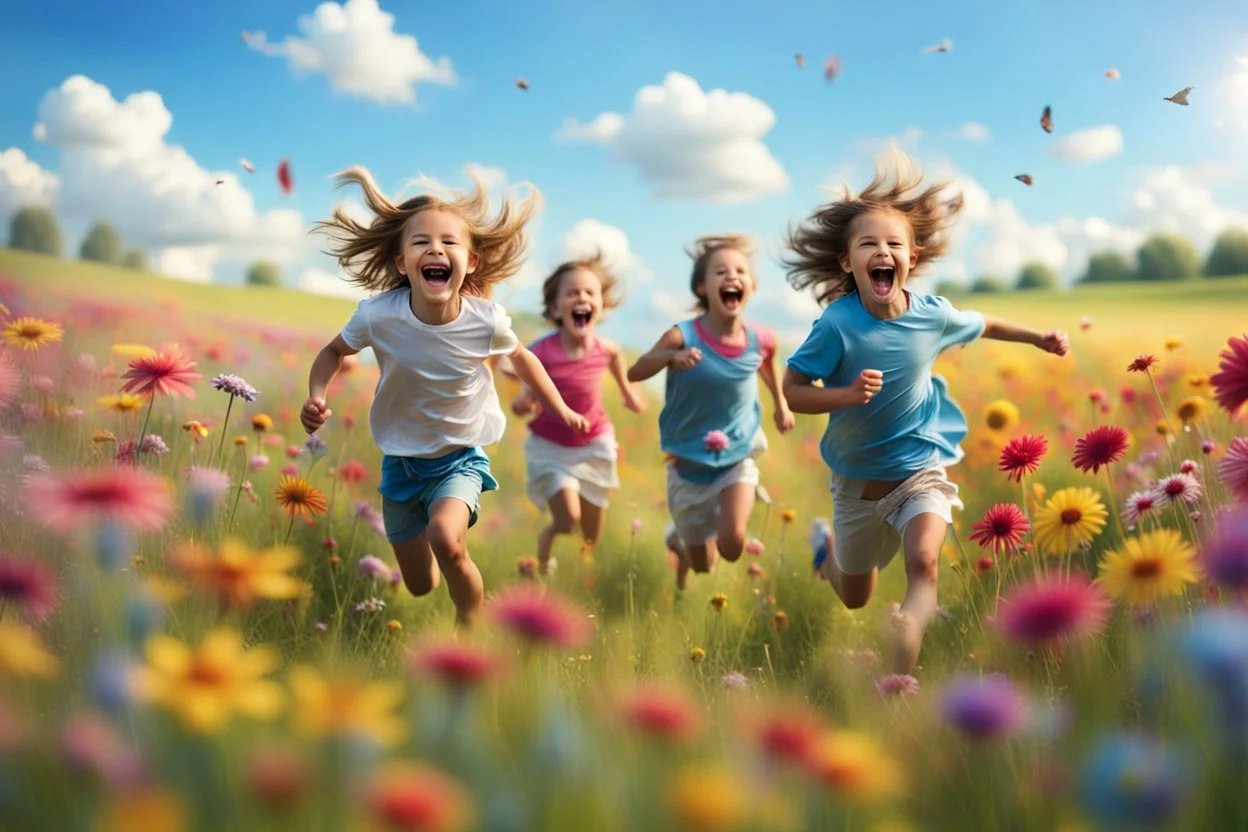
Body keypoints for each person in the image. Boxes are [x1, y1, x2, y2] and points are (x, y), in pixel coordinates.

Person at [781, 147, 1070, 677]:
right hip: (856, 487)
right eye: (868, 243)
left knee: (924, 564)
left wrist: (1039, 339)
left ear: (911, 259)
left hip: (919, 473)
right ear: (848, 263)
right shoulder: (836, 326)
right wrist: (844, 396)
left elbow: (985, 323)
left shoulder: (932, 315)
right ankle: (827, 551)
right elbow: (793, 388)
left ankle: (900, 669)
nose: (882, 251)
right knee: (854, 594)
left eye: (894, 243)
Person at [300, 167, 588, 627]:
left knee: (447, 539)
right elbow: (333, 351)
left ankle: (470, 622)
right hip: (400, 464)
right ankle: (439, 580)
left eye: (449, 242)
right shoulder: (378, 316)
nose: (436, 249)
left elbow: (527, 360)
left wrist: (562, 408)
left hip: (459, 460)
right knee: (421, 583)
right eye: (421, 243)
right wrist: (316, 395)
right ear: (401, 264)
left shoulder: (486, 321)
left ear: (470, 263)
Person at [627, 235, 795, 594]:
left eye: (740, 271)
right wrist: (671, 358)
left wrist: (780, 403)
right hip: (688, 465)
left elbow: (767, 365)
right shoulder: (682, 335)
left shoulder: (761, 338)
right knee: (703, 565)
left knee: (732, 545)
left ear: (751, 285)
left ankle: (725, 523)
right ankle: (680, 544)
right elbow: (636, 371)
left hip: (738, 452)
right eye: (721, 271)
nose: (731, 276)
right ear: (703, 287)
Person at [508, 252, 647, 575]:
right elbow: (525, 396)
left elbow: (616, 364)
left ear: (601, 305)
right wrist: (523, 403)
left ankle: (579, 576)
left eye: (589, 293)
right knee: (567, 520)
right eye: (572, 293)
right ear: (556, 308)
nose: (581, 298)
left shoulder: (606, 349)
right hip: (551, 449)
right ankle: (546, 550)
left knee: (591, 536)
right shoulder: (542, 351)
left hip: (594, 444)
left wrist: (629, 394)